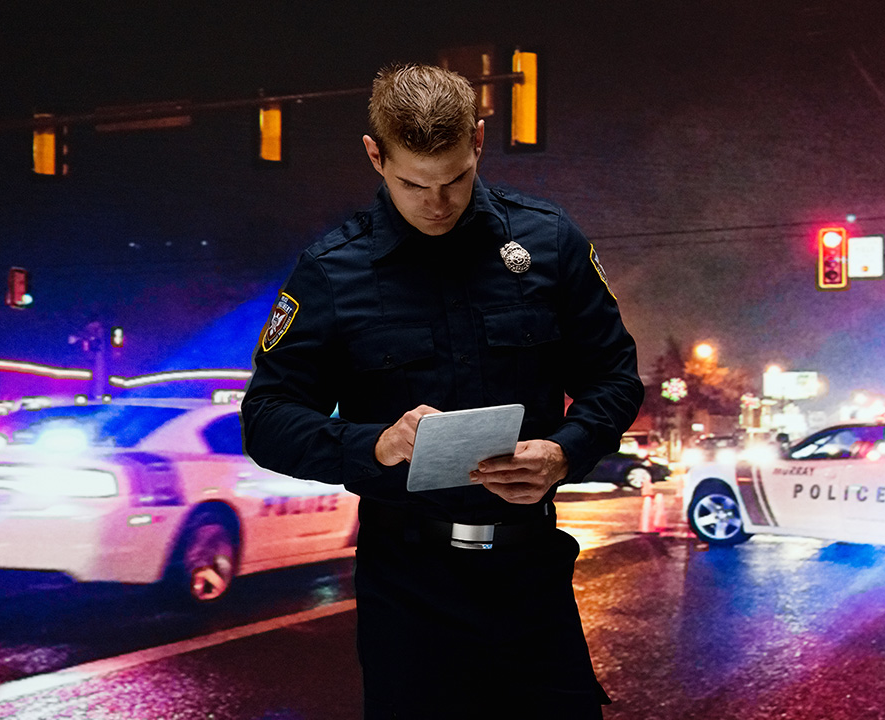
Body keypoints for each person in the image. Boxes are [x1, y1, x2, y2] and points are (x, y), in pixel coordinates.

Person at [241, 63, 643, 720]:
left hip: (531, 574)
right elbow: (267, 418)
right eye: (413, 182)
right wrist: (375, 444)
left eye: (455, 178)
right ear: (375, 155)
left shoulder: (547, 240)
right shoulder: (333, 271)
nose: (438, 202)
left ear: (479, 142)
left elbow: (615, 379)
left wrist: (565, 453)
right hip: (408, 589)